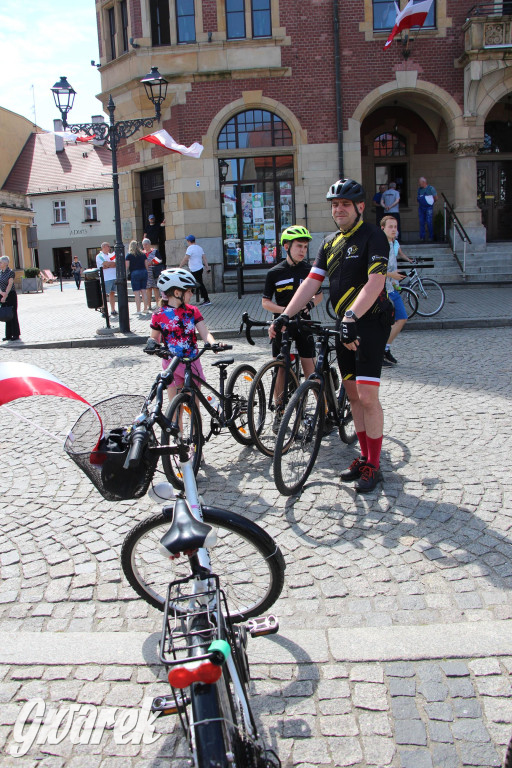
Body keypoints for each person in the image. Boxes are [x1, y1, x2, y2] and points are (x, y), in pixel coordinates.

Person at [269, 179, 393, 493]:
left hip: (370, 323)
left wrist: (352, 315)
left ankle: (374, 466)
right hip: (345, 324)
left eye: (345, 204)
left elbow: (375, 282)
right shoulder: (329, 243)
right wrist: (287, 314)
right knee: (352, 397)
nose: (338, 209)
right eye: (335, 204)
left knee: (367, 397)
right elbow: (311, 283)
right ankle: (363, 457)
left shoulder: (373, 236)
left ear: (360, 207)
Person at [262, 225, 322, 431]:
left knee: (310, 367)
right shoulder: (274, 272)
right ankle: (280, 412)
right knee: (281, 367)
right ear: (286, 247)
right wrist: (285, 311)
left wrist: (310, 304)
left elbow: (319, 295)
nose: (303, 250)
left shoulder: (310, 271)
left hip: (304, 324)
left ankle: (323, 412)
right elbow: (265, 302)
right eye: (298, 246)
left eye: (305, 247)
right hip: (283, 326)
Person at [147, 268, 219, 403]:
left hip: (191, 362)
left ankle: (198, 422)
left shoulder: (193, 311)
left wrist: (212, 343)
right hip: (171, 364)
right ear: (177, 292)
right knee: (174, 410)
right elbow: (154, 337)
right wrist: (152, 343)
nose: (192, 294)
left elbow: (205, 332)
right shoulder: (158, 314)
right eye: (189, 290)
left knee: (194, 407)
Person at [380, 216, 413, 366]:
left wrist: (395, 280)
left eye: (395, 227)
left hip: (391, 288)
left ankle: (384, 349)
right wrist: (391, 275)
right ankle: (382, 350)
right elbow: (374, 269)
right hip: (382, 290)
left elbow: (391, 268)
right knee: (399, 318)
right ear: (383, 228)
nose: (393, 229)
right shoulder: (381, 246)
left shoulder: (391, 244)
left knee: (401, 318)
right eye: (390, 227)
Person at [180, 235, 211, 307]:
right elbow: (204, 258)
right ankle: (187, 300)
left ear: (189, 241)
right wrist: (207, 267)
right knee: (195, 284)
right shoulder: (199, 248)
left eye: (187, 241)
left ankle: (206, 300)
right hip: (200, 268)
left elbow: (186, 258)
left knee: (198, 284)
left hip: (194, 269)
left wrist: (180, 266)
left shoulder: (190, 248)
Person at [0, 255, 21, 341]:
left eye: (0, 262)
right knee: (5, 314)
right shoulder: (0, 272)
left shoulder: (10, 272)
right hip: (2, 295)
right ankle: (8, 335)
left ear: (5, 263)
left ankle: (16, 334)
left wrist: (6, 295)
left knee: (12, 313)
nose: (0, 264)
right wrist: (1, 293)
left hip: (11, 295)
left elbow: (10, 284)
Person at [125, 240, 149, 315]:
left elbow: (127, 266)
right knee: (144, 291)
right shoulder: (143, 254)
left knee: (137, 293)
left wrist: (126, 274)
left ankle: (138, 310)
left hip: (135, 273)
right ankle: (146, 309)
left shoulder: (129, 255)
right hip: (144, 272)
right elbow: (146, 265)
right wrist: (146, 273)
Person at [95, 242, 117, 316]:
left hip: (113, 277)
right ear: (104, 247)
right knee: (104, 294)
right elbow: (105, 264)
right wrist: (109, 265)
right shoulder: (100, 256)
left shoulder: (110, 255)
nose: (109, 248)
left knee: (112, 293)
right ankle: (104, 310)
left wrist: (108, 265)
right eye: (108, 246)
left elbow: (115, 264)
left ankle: (113, 310)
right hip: (106, 278)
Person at [142, 238, 162, 309]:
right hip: (146, 273)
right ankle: (149, 305)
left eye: (146, 244)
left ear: (149, 244)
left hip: (154, 272)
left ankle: (158, 305)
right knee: (148, 289)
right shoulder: (142, 253)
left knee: (156, 288)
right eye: (144, 245)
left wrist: (152, 263)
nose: (145, 246)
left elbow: (160, 260)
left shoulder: (155, 251)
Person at [417, 176, 438, 241]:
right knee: (421, 222)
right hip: (421, 207)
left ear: (424, 182)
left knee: (429, 221)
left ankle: (431, 237)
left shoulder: (431, 189)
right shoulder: (419, 189)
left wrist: (430, 203)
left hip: (428, 207)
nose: (419, 184)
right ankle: (422, 237)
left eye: (420, 182)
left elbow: (436, 198)